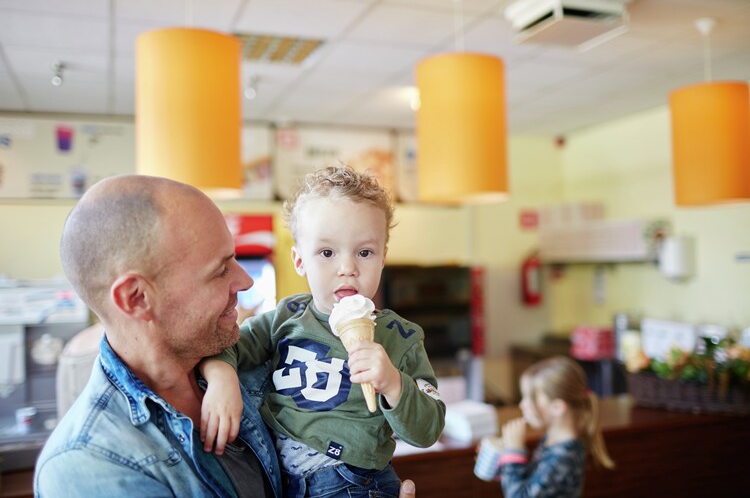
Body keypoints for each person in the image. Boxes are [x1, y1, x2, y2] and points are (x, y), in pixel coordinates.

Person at [34, 174, 418, 498]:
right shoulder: (87, 466)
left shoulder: (258, 362)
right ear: (137, 298)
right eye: (220, 270)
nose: (245, 280)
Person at [200, 165, 445, 497]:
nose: (348, 268)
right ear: (300, 260)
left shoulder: (402, 337)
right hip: (281, 483)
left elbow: (428, 430)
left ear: (383, 258)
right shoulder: (284, 318)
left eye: (365, 252)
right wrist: (221, 379)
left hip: (353, 483)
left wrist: (393, 383)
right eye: (327, 253)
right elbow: (225, 345)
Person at [497, 356, 615, 497]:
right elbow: (530, 481)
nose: (523, 405)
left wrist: (514, 452)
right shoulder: (552, 439)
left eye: (530, 398)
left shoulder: (565, 455)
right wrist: (503, 459)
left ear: (557, 407)